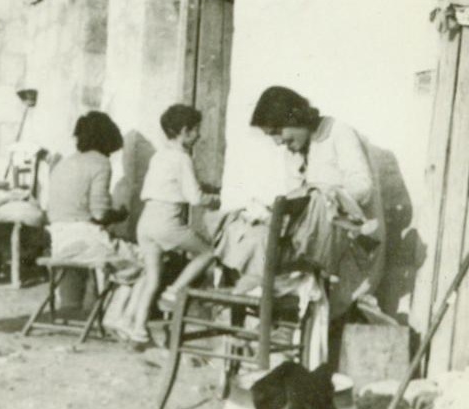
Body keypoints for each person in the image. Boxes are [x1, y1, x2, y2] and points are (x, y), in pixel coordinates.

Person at [213, 85, 384, 319]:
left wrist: (324, 195)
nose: (276, 142)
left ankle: (267, 289)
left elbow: (363, 187)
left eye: (277, 132)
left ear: (294, 118)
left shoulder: (338, 133)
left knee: (310, 206)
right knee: (243, 224)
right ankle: (247, 289)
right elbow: (295, 196)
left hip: (346, 242)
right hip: (311, 238)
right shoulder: (293, 152)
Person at [128, 104, 219, 345]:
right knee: (208, 252)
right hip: (167, 221)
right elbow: (195, 198)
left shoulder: (160, 155)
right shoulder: (182, 158)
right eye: (196, 130)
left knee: (152, 278)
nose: (199, 135)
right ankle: (175, 291)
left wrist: (203, 187)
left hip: (146, 221)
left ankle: (137, 330)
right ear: (185, 131)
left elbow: (169, 185)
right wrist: (217, 200)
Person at [46, 110, 136, 265]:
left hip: (58, 240)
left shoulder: (64, 163)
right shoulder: (100, 162)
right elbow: (99, 214)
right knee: (146, 265)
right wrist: (120, 215)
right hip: (86, 240)